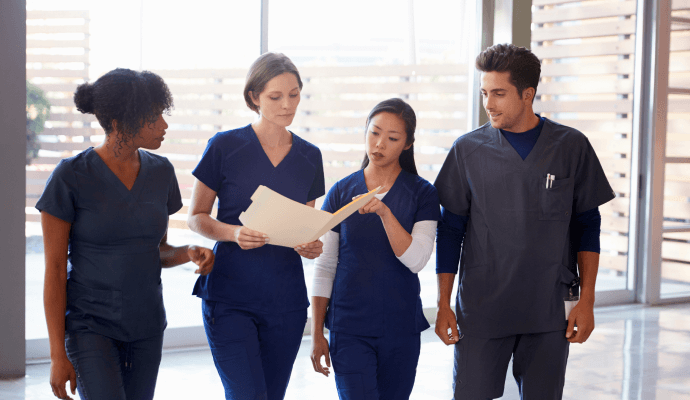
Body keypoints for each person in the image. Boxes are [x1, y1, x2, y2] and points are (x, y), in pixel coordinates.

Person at [434, 43, 616, 399]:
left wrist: (588, 300)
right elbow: (450, 229)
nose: (488, 103)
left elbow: (587, 225)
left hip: (548, 310)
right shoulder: (467, 151)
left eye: (499, 93)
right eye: (485, 92)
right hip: (484, 308)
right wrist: (443, 303)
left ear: (527, 94)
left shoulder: (571, 146)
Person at [38, 68, 215, 400]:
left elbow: (156, 251)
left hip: (147, 326)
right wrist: (56, 355)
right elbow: (56, 270)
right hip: (90, 327)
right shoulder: (70, 177)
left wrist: (188, 251)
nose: (164, 125)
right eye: (152, 117)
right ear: (119, 122)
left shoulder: (161, 172)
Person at [186, 52, 325, 400]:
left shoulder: (310, 156)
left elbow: (304, 225)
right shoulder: (224, 146)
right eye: (275, 97)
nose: (287, 105)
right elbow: (196, 216)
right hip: (230, 296)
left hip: (287, 301)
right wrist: (233, 233)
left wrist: (311, 245)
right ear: (254, 97)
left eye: (293, 94)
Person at [310, 98, 440, 400]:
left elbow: (416, 260)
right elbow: (326, 266)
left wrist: (384, 213)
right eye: (374, 133)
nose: (379, 144)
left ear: (407, 144)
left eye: (393, 138)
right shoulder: (341, 191)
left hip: (401, 328)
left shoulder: (423, 193)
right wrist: (317, 332)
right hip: (349, 327)